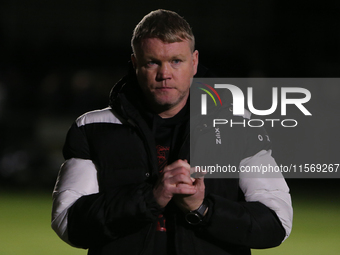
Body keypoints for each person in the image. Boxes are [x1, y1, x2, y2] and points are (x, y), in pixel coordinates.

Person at [51, 9, 293, 255]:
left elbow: (277, 223)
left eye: (176, 61)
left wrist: (202, 208)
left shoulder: (241, 128)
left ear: (194, 62)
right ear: (135, 64)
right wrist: (150, 198)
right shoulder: (93, 128)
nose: (164, 74)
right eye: (152, 62)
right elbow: (67, 222)